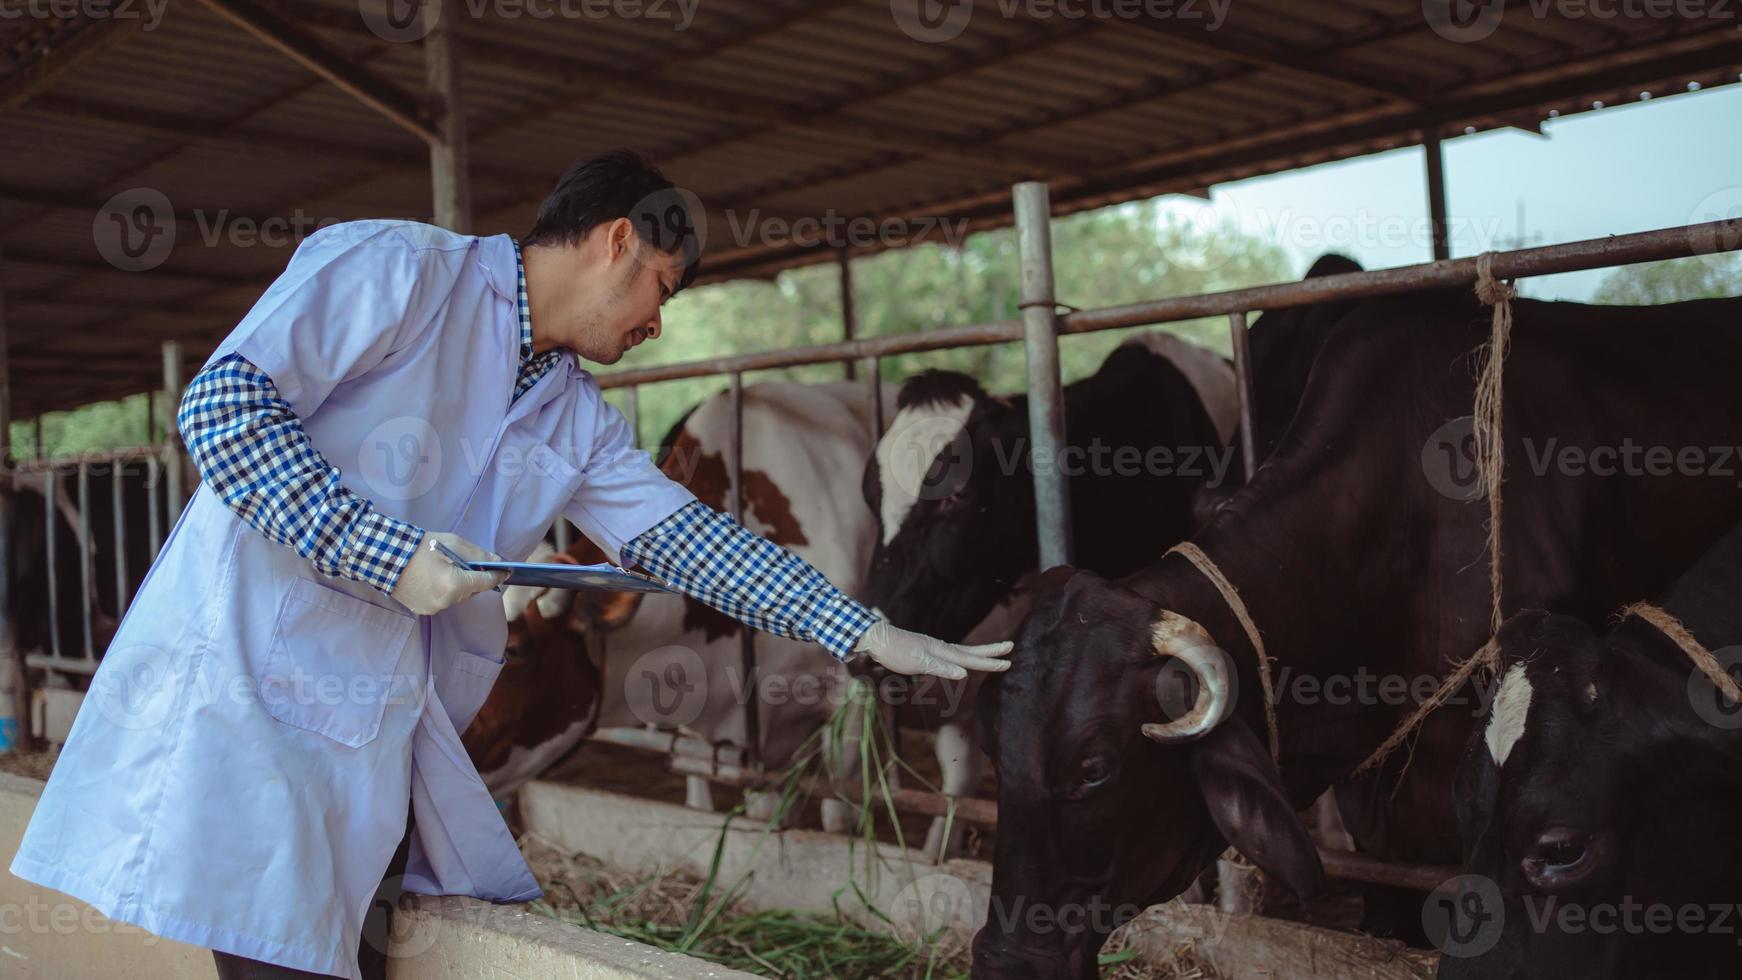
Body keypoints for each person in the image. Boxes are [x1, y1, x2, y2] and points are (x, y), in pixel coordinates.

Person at [9, 151, 1011, 980]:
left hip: (376, 725)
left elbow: (688, 537)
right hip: (253, 698)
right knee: (280, 957)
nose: (657, 322)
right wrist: (384, 553)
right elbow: (222, 409)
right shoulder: (397, 270)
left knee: (357, 946)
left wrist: (856, 624)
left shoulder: (574, 413)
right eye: (662, 289)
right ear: (619, 238)